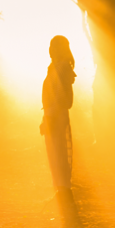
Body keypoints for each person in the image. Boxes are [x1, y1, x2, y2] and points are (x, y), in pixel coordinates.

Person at [41, 35, 75, 196]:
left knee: (58, 149)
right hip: (54, 114)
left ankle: (63, 188)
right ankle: (61, 188)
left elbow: (60, 98)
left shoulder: (60, 69)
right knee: (55, 149)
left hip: (56, 114)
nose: (49, 50)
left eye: (52, 47)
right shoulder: (56, 68)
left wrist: (50, 116)